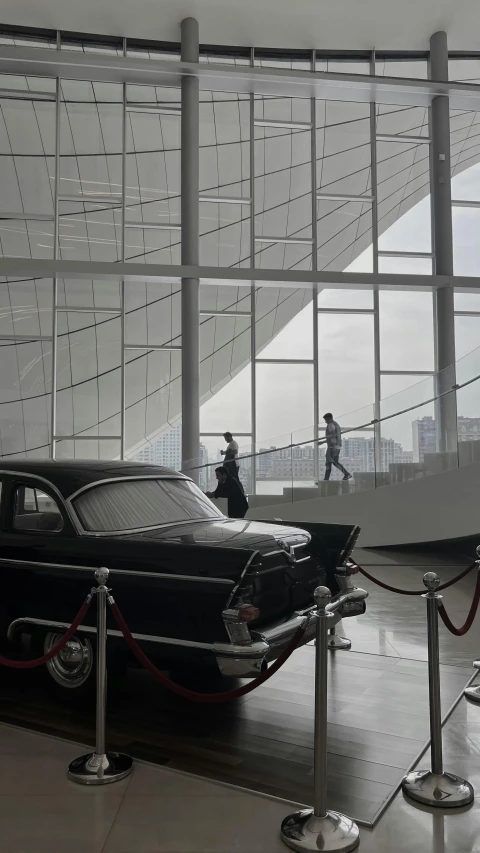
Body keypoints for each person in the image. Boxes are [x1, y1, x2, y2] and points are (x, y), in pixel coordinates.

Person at [323, 413, 352, 481]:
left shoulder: (330, 425)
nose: (325, 422)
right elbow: (333, 436)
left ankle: (346, 474)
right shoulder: (336, 424)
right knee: (329, 463)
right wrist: (322, 442)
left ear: (328, 419)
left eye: (326, 420)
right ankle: (326, 480)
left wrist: (333, 447)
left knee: (333, 462)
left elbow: (333, 436)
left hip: (332, 447)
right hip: (335, 446)